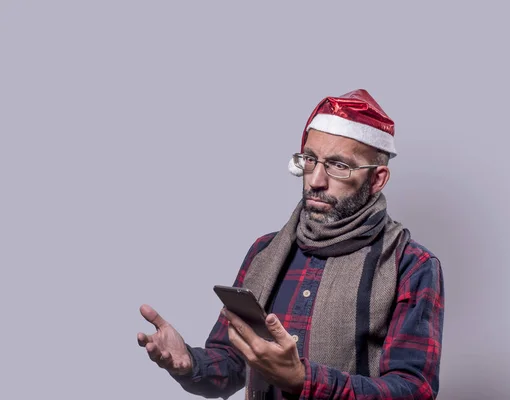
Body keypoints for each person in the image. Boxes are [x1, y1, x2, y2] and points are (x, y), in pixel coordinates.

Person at [137, 89, 445, 399]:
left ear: (377, 179)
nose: (315, 180)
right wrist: (188, 363)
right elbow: (233, 363)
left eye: (339, 165)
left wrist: (302, 379)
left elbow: (414, 391)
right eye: (310, 160)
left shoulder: (410, 265)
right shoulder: (264, 252)